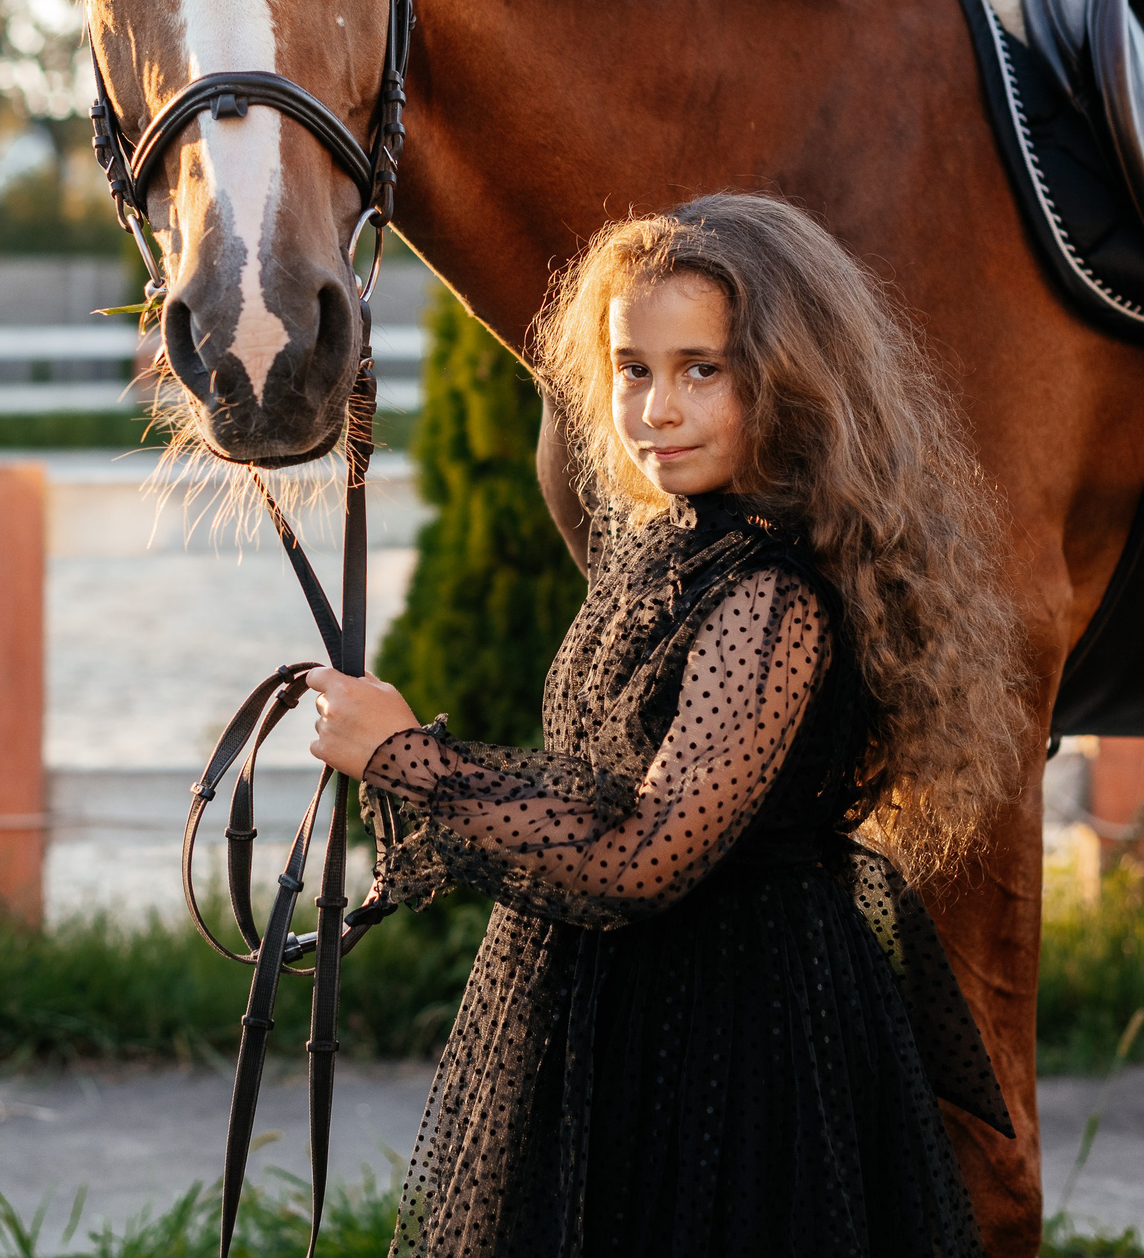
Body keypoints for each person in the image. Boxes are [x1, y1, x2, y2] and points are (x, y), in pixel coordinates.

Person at [308, 192, 1035, 1258]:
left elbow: (643, 854)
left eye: (703, 369)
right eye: (632, 369)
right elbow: (597, 791)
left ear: (788, 375)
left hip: (733, 1034)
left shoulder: (768, 596)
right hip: (628, 1010)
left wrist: (409, 759)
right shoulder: (675, 546)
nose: (655, 409)